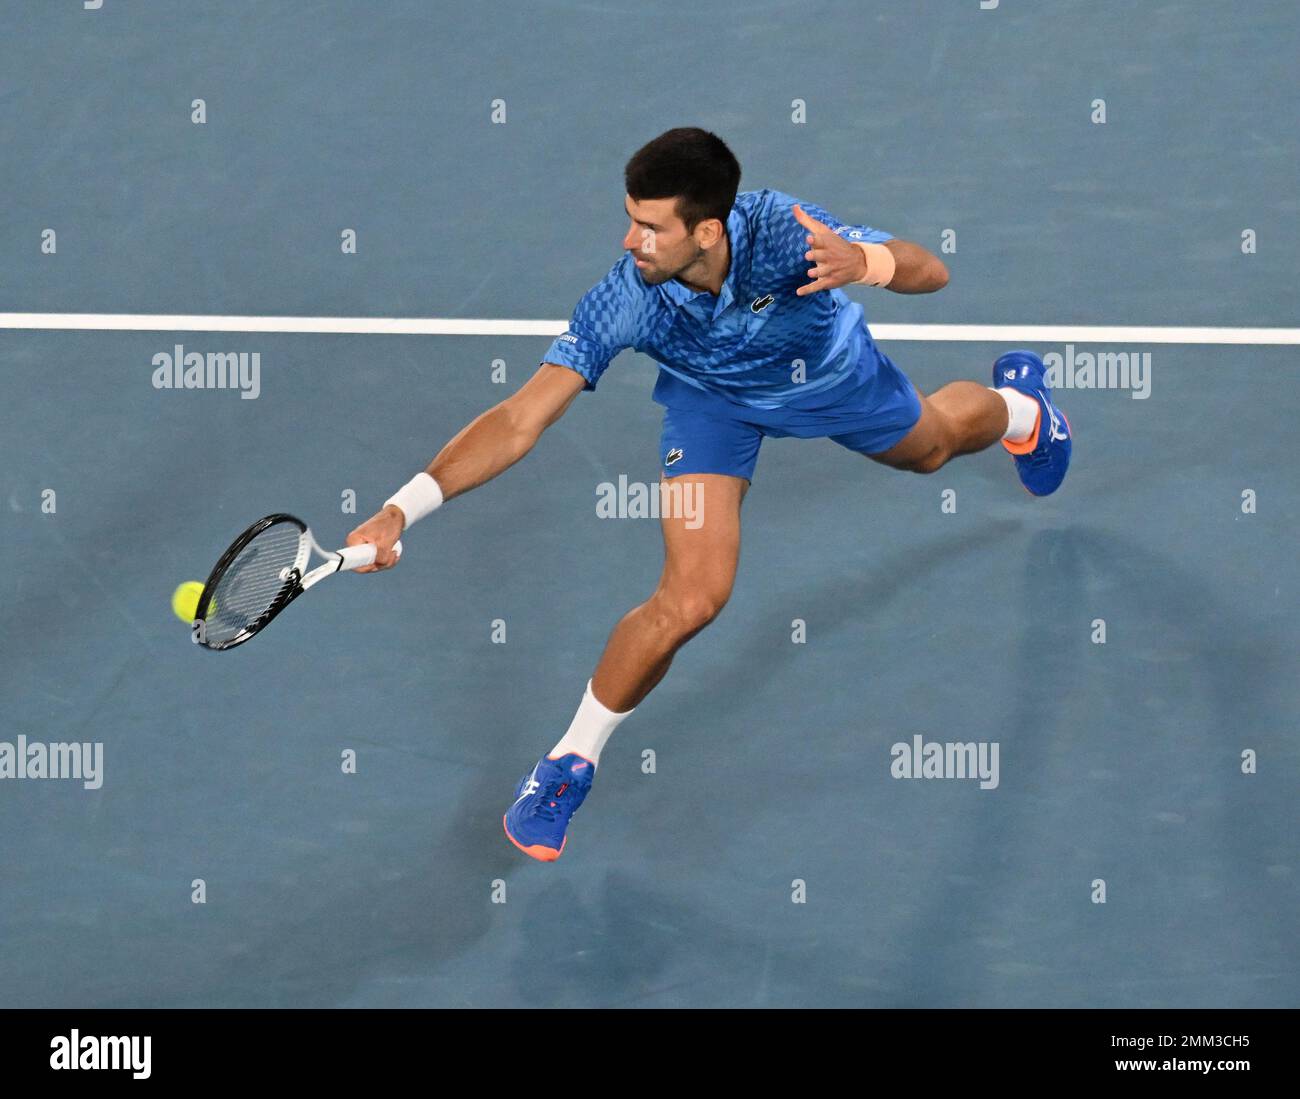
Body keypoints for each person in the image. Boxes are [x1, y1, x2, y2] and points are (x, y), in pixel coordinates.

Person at [346, 127, 1072, 861]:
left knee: (934, 446)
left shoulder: (787, 234)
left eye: (651, 226)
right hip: (712, 408)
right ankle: (569, 761)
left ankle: (1025, 410)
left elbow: (932, 270)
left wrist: (866, 263)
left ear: (708, 229)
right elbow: (519, 417)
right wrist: (401, 508)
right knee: (693, 597)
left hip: (827, 379)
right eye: (630, 219)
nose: (632, 241)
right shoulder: (626, 297)